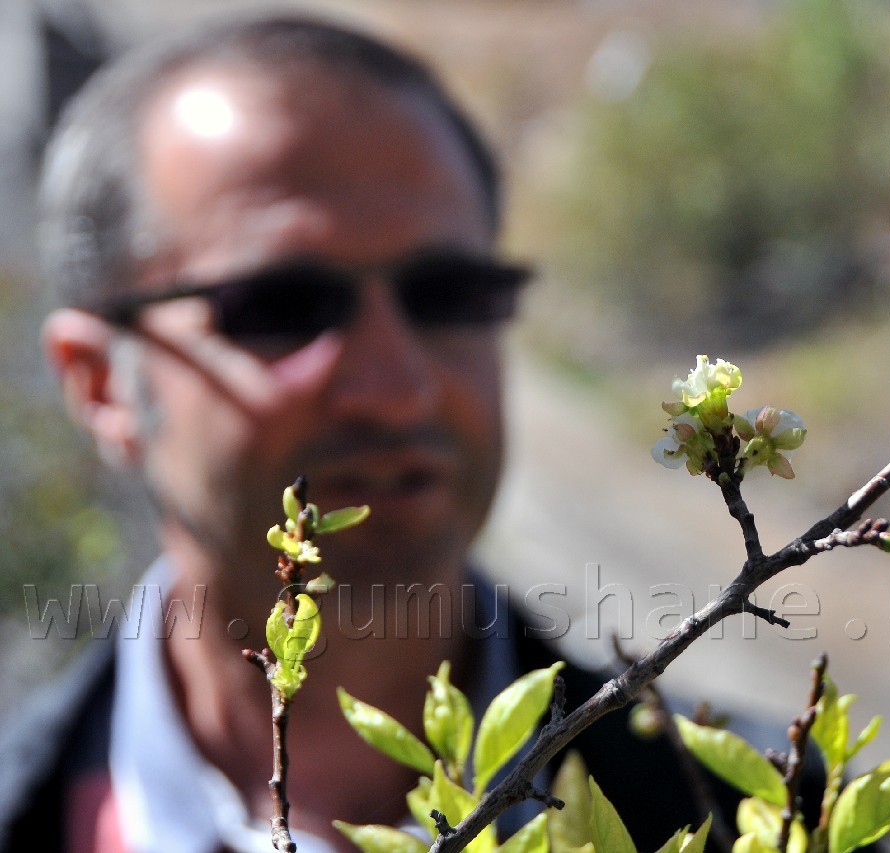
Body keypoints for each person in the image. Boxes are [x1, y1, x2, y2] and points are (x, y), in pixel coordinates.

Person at [0, 14, 796, 853]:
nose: (394, 386)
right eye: (282, 305)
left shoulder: (781, 822)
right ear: (100, 384)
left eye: (447, 294)